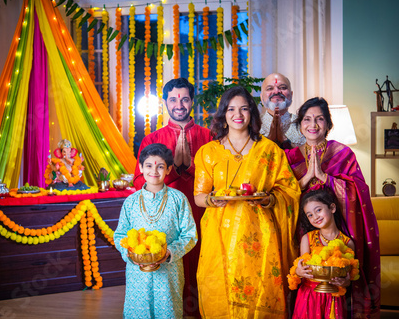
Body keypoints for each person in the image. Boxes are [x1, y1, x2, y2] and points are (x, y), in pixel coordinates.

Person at [193, 86, 301, 318]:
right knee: (218, 284)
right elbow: (199, 196)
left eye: (243, 108)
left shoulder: (270, 151)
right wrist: (213, 199)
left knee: (260, 285)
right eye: (231, 109)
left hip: (260, 234)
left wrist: (270, 199)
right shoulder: (208, 152)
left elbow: (289, 190)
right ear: (223, 114)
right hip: (219, 232)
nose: (237, 114)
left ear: (252, 113)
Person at [285, 97, 381, 319]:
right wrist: (305, 178)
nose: (313, 124)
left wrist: (325, 178)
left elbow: (359, 192)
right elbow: (282, 196)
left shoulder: (343, 154)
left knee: (337, 285)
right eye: (307, 119)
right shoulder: (289, 158)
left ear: (328, 124)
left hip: (337, 229)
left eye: (320, 119)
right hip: (299, 232)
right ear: (300, 125)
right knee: (304, 282)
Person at [134, 77, 211, 316]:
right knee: (170, 270)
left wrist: (188, 168)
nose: (179, 104)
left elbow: (217, 178)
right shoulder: (151, 140)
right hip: (165, 218)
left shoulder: (209, 137)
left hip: (202, 214)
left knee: (202, 264)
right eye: (173, 99)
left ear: (192, 102)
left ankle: (202, 311)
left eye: (185, 99)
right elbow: (139, 183)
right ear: (165, 102)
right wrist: (174, 169)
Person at [114, 143, 198, 319]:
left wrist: (169, 253)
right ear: (141, 168)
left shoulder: (178, 199)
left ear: (168, 169)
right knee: (138, 312)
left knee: (167, 311)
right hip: (137, 272)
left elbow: (190, 234)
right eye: (149, 165)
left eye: (160, 166)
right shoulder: (131, 201)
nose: (154, 171)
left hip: (169, 272)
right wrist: (129, 254)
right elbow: (120, 234)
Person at [293, 189, 356, 319]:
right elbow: (301, 268)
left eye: (318, 210)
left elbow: (349, 279)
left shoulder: (347, 243)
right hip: (309, 296)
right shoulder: (307, 239)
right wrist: (299, 272)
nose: (315, 217)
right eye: (309, 215)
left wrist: (344, 282)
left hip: (334, 299)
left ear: (332, 208)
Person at [259, 73, 306, 149]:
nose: (276, 91)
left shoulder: (304, 124)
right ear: (261, 97)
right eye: (270, 88)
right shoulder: (252, 125)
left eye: (283, 88)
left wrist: (286, 142)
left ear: (291, 95)